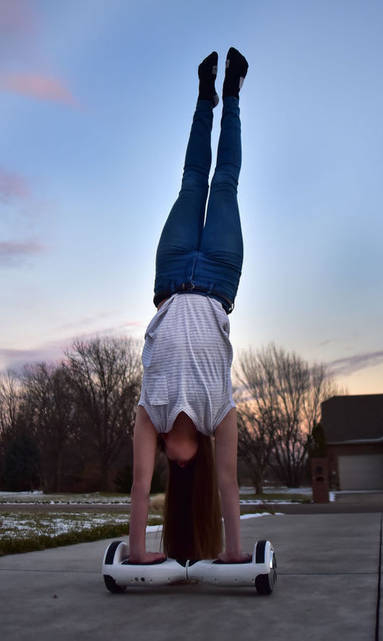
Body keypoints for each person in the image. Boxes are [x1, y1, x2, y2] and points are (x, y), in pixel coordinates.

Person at [128, 47, 250, 565]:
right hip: (219, 274)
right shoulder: (218, 417)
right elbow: (229, 485)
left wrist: (138, 552)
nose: (167, 464)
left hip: (173, 272)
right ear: (194, 459)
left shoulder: (149, 418)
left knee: (190, 179)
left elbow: (137, 485)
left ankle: (204, 96)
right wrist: (234, 553)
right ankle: (233, 96)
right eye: (177, 467)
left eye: (166, 466)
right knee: (223, 183)